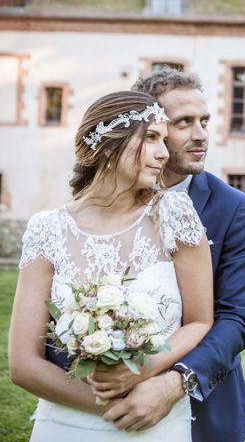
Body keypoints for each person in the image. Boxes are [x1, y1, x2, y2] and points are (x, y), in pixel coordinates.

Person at [8, 91, 214, 441]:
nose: (164, 153)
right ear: (107, 145)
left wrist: (144, 377)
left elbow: (200, 320)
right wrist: (112, 406)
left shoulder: (175, 215)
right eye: (150, 138)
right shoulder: (47, 230)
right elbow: (22, 364)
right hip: (66, 424)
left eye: (163, 140)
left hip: (156, 421)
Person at [101, 70, 245, 441]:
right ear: (146, 130)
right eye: (184, 122)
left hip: (205, 413)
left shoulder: (232, 207)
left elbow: (234, 320)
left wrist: (175, 383)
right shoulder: (99, 204)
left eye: (204, 121)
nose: (201, 135)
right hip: (105, 404)